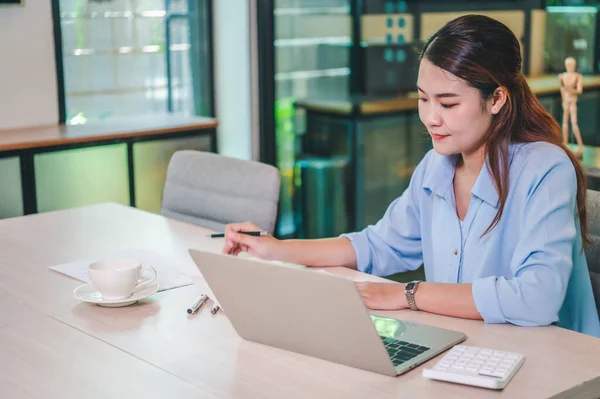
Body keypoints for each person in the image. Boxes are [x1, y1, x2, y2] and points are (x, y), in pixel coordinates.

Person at [222, 15, 600, 338]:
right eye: (423, 99)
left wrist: (409, 294)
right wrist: (274, 250)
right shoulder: (436, 167)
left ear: (497, 99)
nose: (431, 117)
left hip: (555, 365)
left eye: (448, 103)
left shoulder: (545, 169)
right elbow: (377, 246)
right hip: (469, 346)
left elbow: (536, 298)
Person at [559, 57, 584, 158]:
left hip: (572, 101)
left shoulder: (577, 76)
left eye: (571, 65)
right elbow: (562, 90)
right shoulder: (562, 76)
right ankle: (565, 143)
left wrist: (570, 90)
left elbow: (579, 90)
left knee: (574, 123)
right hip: (566, 101)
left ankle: (580, 143)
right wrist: (563, 100)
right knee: (564, 122)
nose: (570, 66)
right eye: (568, 65)